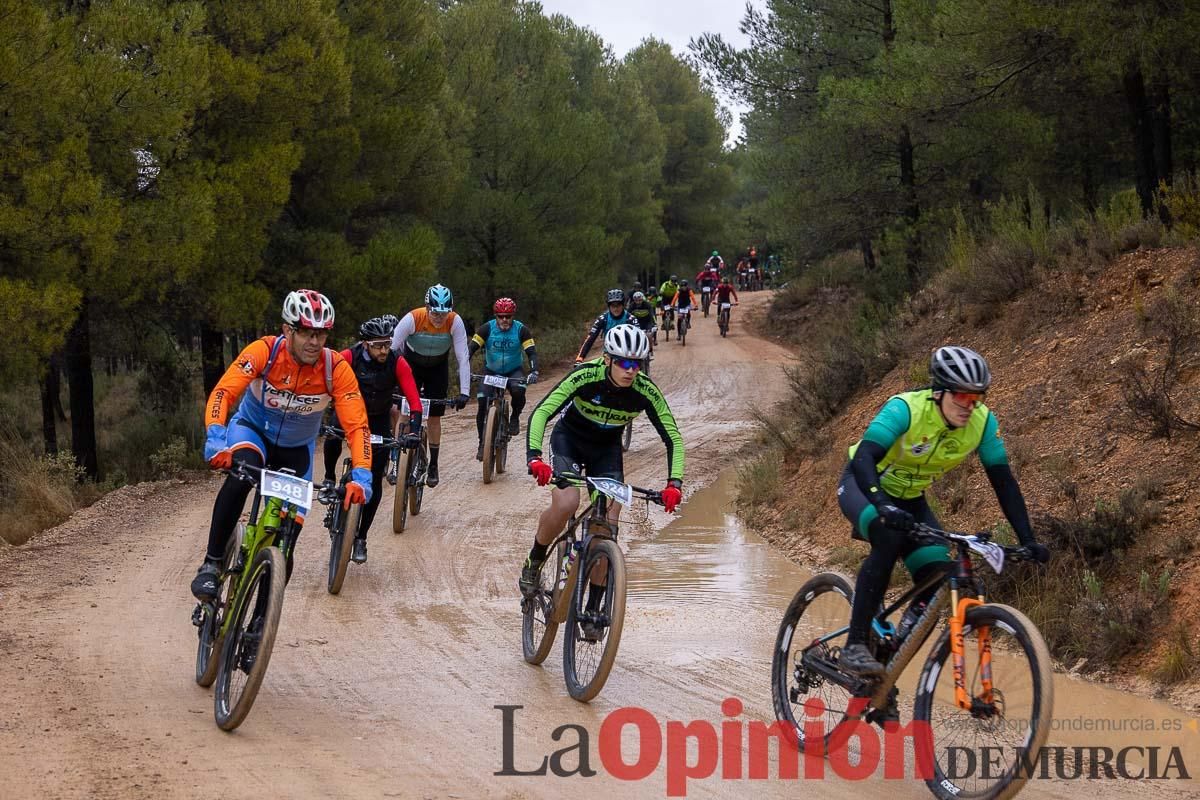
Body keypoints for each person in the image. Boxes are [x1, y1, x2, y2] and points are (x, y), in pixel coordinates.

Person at [836, 346, 1051, 677]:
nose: (970, 406)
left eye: (977, 398)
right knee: (888, 538)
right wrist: (881, 503)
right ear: (939, 392)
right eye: (962, 397)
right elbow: (864, 457)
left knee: (937, 574)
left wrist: (1028, 539)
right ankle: (855, 645)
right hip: (865, 485)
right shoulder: (905, 410)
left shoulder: (981, 423)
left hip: (911, 501)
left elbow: (1003, 481)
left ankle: (889, 660)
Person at [191, 289, 372, 604]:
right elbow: (224, 392)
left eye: (321, 334)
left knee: (286, 547)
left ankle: (260, 625)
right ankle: (212, 563)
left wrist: (362, 475)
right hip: (252, 432)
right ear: (288, 329)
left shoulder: (335, 369)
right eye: (306, 332)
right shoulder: (265, 351)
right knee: (242, 474)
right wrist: (217, 439)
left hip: (296, 450)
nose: (314, 342)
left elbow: (357, 426)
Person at [520, 325, 684, 638]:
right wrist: (535, 457)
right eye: (624, 362)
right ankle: (535, 559)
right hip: (570, 440)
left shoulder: (644, 390)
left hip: (607, 451)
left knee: (608, 522)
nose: (631, 370)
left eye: (637, 364)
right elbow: (542, 412)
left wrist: (674, 483)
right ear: (608, 358)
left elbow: (673, 437)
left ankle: (594, 607)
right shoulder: (586, 376)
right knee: (568, 501)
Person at [322, 315, 423, 563]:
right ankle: (328, 477)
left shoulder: (397, 362)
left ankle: (360, 538)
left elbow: (414, 401)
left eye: (387, 344)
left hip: (377, 418)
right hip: (348, 412)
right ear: (365, 344)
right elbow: (324, 383)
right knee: (333, 436)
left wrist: (413, 432)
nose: (383, 350)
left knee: (375, 481)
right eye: (378, 345)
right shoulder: (349, 356)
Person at [390, 284, 471, 488]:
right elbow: (391, 351)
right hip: (411, 367)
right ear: (427, 307)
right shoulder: (413, 318)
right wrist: (388, 384)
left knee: (434, 417)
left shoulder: (454, 321)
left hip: (437, 368)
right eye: (435, 312)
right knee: (405, 413)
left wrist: (464, 392)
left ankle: (433, 463)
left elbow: (463, 357)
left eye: (443, 313)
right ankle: (395, 462)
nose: (439, 317)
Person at [469, 297, 539, 460]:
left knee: (518, 390)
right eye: (501, 316)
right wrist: (465, 370)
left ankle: (514, 417)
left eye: (508, 316)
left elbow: (531, 352)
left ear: (513, 316)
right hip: (491, 370)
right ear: (496, 316)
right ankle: (482, 444)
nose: (504, 320)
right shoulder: (487, 328)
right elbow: (470, 349)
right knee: (482, 401)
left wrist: (534, 371)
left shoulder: (521, 330)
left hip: (513, 370)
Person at [576, 288, 636, 363]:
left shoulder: (630, 318)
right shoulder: (603, 319)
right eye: (613, 305)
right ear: (609, 306)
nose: (616, 308)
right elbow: (590, 338)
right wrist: (580, 358)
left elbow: (637, 338)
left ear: (623, 305)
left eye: (618, 305)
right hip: (609, 354)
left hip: (627, 353)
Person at [626, 291, 657, 356]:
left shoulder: (647, 304)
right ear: (634, 300)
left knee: (648, 335)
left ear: (642, 299)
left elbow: (652, 315)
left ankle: (650, 349)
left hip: (647, 322)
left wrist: (654, 324)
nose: (638, 302)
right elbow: (627, 316)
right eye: (636, 300)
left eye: (640, 300)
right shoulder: (632, 305)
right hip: (637, 323)